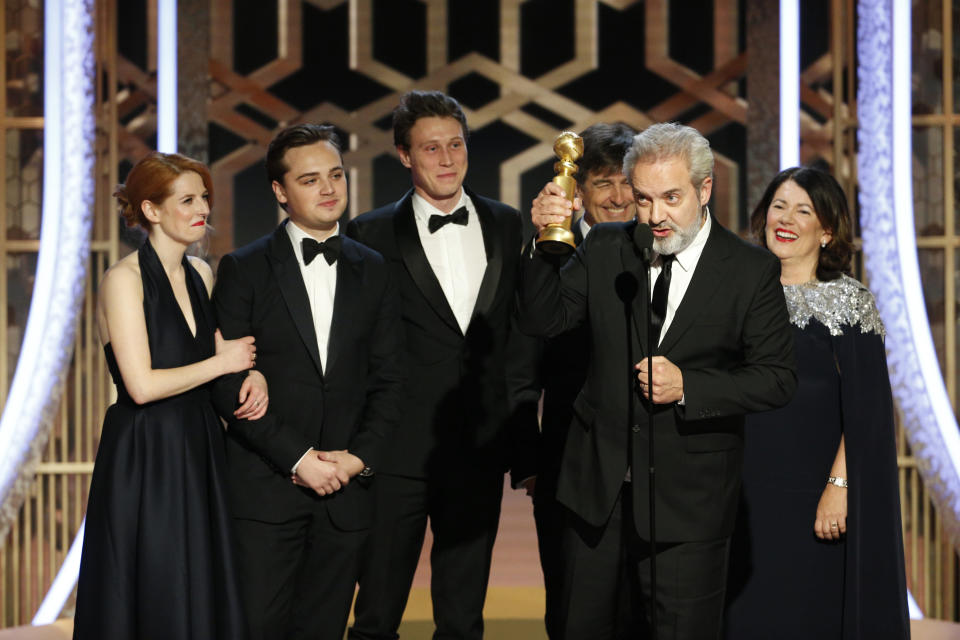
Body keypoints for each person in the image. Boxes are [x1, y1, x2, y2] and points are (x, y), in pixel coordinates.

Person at [519, 122, 797, 639]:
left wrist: (689, 386)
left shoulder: (748, 270)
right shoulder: (606, 246)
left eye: (671, 197)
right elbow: (544, 320)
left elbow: (777, 379)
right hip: (595, 494)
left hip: (689, 503)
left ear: (705, 187)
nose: (655, 216)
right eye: (644, 200)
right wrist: (544, 246)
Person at [346, 90, 531, 640]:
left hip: (477, 448)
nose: (448, 159)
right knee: (376, 613)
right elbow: (357, 349)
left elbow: (520, 339)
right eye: (432, 148)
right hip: (396, 452)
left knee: (463, 617)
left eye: (456, 145)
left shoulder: (508, 224)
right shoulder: (369, 234)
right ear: (405, 156)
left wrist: (521, 444)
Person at [210, 124, 403, 640]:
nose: (329, 189)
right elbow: (227, 385)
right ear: (280, 191)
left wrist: (356, 459)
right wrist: (298, 459)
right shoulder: (243, 268)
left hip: (345, 493)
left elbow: (391, 379)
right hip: (266, 494)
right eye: (311, 179)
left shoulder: (375, 268)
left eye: (336, 175)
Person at [73, 152, 266, 639]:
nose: (202, 208)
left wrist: (252, 375)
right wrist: (223, 364)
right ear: (151, 210)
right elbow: (140, 385)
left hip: (200, 442)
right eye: (187, 199)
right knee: (155, 585)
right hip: (146, 452)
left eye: (204, 197)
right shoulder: (124, 280)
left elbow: (229, 357)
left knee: (202, 584)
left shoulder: (202, 274)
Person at [723, 167, 909, 638]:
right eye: (778, 206)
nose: (786, 219)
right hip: (737, 494)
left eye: (803, 210)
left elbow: (867, 411)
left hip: (815, 499)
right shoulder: (734, 292)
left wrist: (840, 486)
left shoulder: (849, 303)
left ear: (827, 230)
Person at [518, 122, 637, 637]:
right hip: (566, 467)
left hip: (650, 468)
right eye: (603, 183)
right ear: (580, 190)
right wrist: (530, 462)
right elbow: (517, 368)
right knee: (572, 611)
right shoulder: (551, 253)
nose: (617, 196)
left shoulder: (664, 248)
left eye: (626, 182)